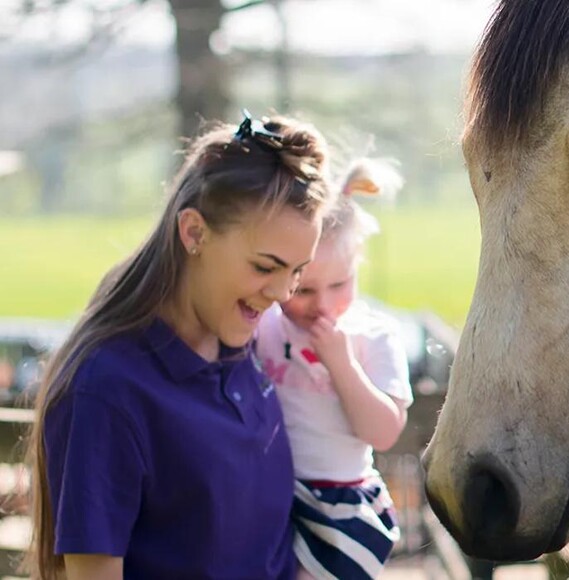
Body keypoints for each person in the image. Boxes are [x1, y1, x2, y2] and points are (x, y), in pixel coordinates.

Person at [27, 112, 337, 580]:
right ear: (193, 232)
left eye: (296, 271)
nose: (281, 294)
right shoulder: (105, 391)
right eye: (265, 266)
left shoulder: (250, 350)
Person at [254, 158, 413, 580]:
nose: (322, 305)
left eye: (340, 285)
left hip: (343, 502)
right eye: (303, 289)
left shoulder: (372, 336)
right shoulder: (266, 325)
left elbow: (383, 432)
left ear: (357, 267)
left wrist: (341, 365)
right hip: (276, 495)